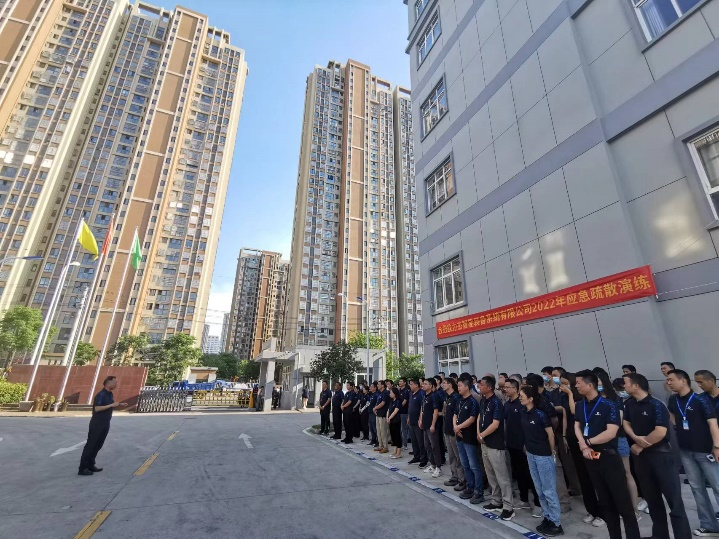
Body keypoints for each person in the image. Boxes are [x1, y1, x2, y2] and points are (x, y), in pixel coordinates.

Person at [623, 373, 692, 539]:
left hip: (662, 457)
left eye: (625, 383)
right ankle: (660, 535)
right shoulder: (629, 404)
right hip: (642, 459)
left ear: (636, 385)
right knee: (653, 501)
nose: (623, 386)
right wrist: (635, 437)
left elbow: (660, 432)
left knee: (674, 502)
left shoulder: (656, 404)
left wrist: (640, 444)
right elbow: (626, 423)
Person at [574, 370, 640, 539]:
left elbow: (611, 433)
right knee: (605, 503)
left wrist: (587, 443)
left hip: (608, 457)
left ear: (590, 385)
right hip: (590, 457)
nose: (576, 386)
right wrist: (582, 444)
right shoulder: (580, 405)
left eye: (578, 383)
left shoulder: (609, 405)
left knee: (623, 503)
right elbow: (577, 425)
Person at [666, 369, 719, 537]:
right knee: (697, 489)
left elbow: (713, 424)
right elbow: (672, 417)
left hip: (705, 451)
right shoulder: (673, 400)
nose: (668, 383)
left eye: (671, 379)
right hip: (685, 451)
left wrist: (717, 446)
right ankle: (709, 525)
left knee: (717, 486)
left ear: (683, 381)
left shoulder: (700, 400)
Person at [558, 371, 603, 528]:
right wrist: (565, 436)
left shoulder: (591, 402)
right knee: (583, 476)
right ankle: (591, 510)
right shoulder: (573, 400)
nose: (576, 386)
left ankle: (603, 512)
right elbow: (568, 416)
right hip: (576, 440)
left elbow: (573, 411)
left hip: (592, 443)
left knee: (596, 477)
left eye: (568, 383)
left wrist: (570, 394)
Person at [520, 384, 563, 537]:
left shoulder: (540, 414)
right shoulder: (524, 413)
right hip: (531, 454)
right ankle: (547, 517)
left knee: (548, 490)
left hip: (543, 455)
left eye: (522, 396)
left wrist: (551, 452)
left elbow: (550, 435)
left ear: (530, 398)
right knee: (539, 489)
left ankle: (556, 523)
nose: (520, 398)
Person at [597, 371, 640, 521]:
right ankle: (615, 508)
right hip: (600, 443)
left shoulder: (615, 399)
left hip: (618, 440)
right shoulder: (593, 399)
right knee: (608, 476)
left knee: (626, 473)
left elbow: (619, 421)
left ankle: (634, 509)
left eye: (598, 381)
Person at [478, 375, 514, 521]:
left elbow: (495, 424)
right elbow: (480, 417)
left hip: (495, 444)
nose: (479, 387)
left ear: (489, 387)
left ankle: (508, 507)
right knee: (491, 474)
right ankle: (496, 500)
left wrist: (482, 435)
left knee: (502, 476)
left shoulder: (496, 403)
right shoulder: (483, 400)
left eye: (481, 385)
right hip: (484, 443)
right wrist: (479, 434)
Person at [504, 378, 541, 517]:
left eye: (508, 387)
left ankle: (538, 504)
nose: (505, 389)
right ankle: (524, 499)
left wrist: (526, 442)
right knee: (519, 474)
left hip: (524, 445)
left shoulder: (523, 405)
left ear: (515, 388)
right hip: (512, 444)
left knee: (531, 475)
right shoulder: (507, 404)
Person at [78, 376, 127, 476]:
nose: (116, 384)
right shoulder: (101, 394)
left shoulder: (109, 394)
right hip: (97, 423)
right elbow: (97, 408)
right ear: (108, 383)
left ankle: (91, 465)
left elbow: (109, 405)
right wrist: (111, 405)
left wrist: (119, 404)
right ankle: (82, 468)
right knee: (91, 445)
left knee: (98, 445)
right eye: (115, 382)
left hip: (105, 423)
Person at [454, 376, 485, 504]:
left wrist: (459, 427)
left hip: (469, 437)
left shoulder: (472, 401)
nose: (458, 388)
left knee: (474, 465)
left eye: (460, 385)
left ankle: (478, 491)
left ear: (467, 387)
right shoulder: (459, 400)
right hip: (459, 437)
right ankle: (470, 487)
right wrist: (455, 427)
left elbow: (472, 419)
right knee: (465, 464)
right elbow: (455, 414)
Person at [441, 377, 466, 490]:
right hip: (447, 430)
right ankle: (454, 476)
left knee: (458, 456)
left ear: (450, 384)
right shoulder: (448, 397)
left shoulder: (456, 397)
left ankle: (462, 479)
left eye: (445, 383)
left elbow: (457, 414)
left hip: (454, 431)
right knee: (451, 456)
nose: (443, 385)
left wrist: (456, 428)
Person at [420, 377, 442, 477]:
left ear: (431, 386)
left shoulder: (434, 396)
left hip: (432, 426)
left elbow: (435, 411)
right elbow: (423, 409)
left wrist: (433, 424)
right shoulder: (425, 396)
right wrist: (420, 420)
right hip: (425, 425)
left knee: (434, 447)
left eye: (425, 384)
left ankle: (438, 467)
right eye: (423, 383)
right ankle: (432, 464)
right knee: (427, 446)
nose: (423, 385)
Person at [407, 378, 427, 466]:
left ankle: (423, 459)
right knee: (414, 441)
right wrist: (408, 417)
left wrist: (420, 419)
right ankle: (416, 456)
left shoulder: (421, 394)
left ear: (416, 385)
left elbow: (422, 408)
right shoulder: (411, 394)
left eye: (411, 384)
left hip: (418, 421)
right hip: (411, 420)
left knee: (420, 441)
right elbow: (410, 407)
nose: (410, 386)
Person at [373, 380, 390, 454]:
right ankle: (380, 445)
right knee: (379, 431)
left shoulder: (385, 393)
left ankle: (385, 447)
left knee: (383, 432)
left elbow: (383, 403)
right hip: (378, 414)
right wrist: (375, 409)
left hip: (383, 414)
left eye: (379, 384)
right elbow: (378, 402)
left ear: (383, 385)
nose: (377, 386)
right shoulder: (380, 393)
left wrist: (375, 408)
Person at [387, 387, 403, 459]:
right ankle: (394, 452)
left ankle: (398, 453)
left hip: (396, 420)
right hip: (391, 421)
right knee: (393, 436)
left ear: (395, 393)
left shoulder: (398, 401)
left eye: (391, 393)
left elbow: (395, 411)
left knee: (397, 436)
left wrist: (389, 418)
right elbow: (388, 410)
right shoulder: (392, 401)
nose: (390, 394)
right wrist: (387, 417)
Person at [398, 378, 411, 450]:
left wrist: (398, 408)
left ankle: (405, 444)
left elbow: (404, 402)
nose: (399, 382)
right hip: (400, 412)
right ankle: (402, 443)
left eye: (401, 381)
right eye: (399, 381)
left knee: (405, 428)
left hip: (405, 412)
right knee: (402, 429)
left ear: (405, 383)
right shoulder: (399, 390)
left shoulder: (406, 391)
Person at [368, 382, 379, 446]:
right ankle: (373, 439)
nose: (370, 388)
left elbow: (377, 403)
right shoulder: (371, 394)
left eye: (371, 387)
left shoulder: (376, 394)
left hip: (374, 413)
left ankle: (378, 440)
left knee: (375, 427)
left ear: (375, 388)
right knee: (371, 427)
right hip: (370, 412)